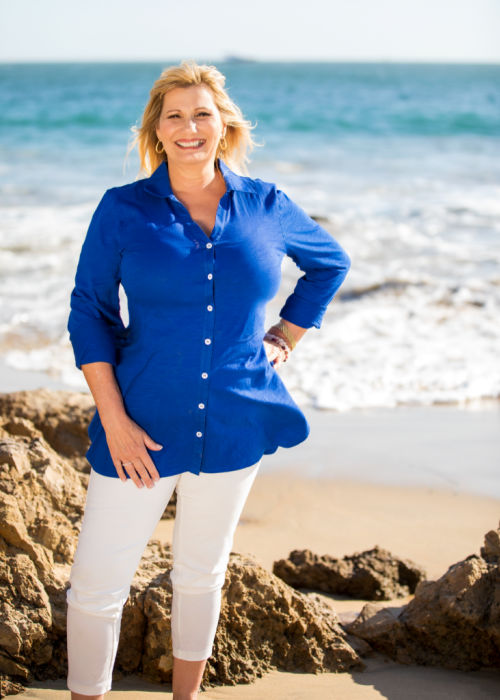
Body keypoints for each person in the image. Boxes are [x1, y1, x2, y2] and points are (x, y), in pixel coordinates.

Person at [65, 60, 351, 700]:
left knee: (201, 573)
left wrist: (284, 338)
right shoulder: (123, 210)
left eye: (202, 113)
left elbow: (330, 265)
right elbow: (90, 313)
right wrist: (115, 422)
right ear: (157, 130)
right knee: (97, 583)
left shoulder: (267, 205)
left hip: (234, 420)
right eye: (175, 116)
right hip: (140, 424)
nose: (189, 126)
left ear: (223, 124)